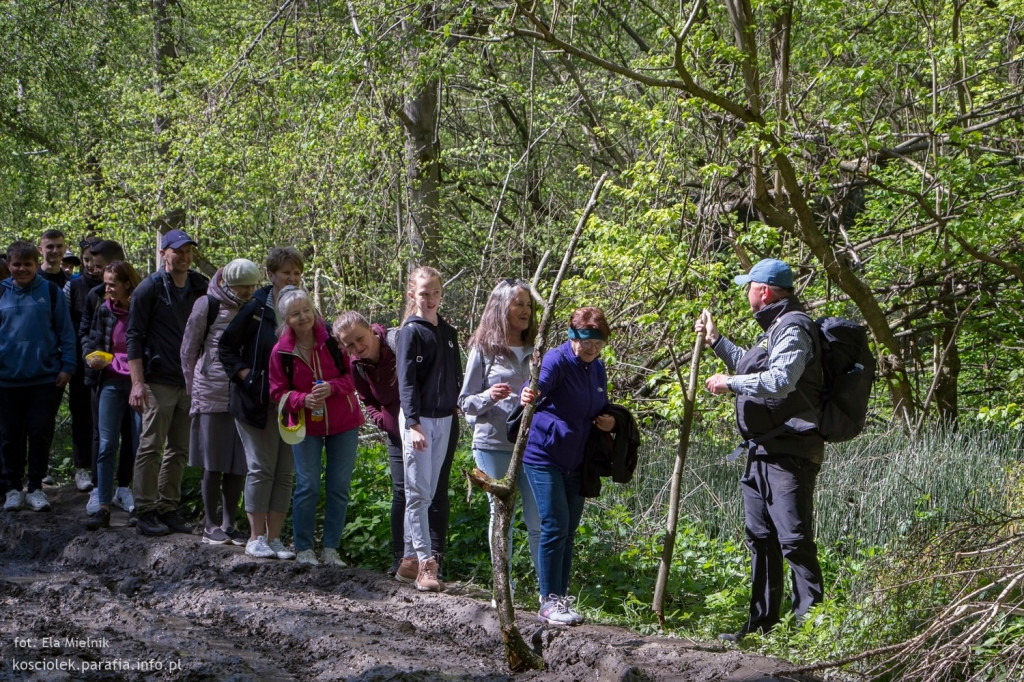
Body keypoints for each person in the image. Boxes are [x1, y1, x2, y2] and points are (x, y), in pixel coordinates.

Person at [695, 258, 825, 642]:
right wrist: (717, 341)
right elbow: (751, 367)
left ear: (764, 291)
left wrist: (729, 384)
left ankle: (809, 630)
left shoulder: (794, 327)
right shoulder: (772, 330)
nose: (746, 292)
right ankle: (760, 625)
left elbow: (782, 381)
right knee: (761, 538)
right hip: (761, 453)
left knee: (794, 540)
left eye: (748, 285)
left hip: (789, 451)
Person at [520, 306, 614, 626]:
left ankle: (560, 598)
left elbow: (599, 405)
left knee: (569, 531)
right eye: (586, 342)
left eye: (598, 344)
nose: (591, 349)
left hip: (578, 460)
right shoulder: (556, 360)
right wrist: (529, 393)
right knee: (555, 524)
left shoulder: (597, 368)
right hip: (544, 455)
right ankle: (548, 601)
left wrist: (610, 420)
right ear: (572, 336)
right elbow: (539, 385)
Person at [219, 247, 304, 560]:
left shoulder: (304, 308)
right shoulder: (256, 307)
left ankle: (275, 538)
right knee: (261, 468)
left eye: (297, 273)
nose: (292, 278)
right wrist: (247, 376)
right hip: (255, 401)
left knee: (284, 472)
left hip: (291, 404)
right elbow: (226, 347)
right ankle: (255, 537)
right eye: (286, 273)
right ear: (271, 275)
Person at [269, 286, 364, 566]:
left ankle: (331, 548)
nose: (303, 317)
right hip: (305, 426)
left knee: (339, 486)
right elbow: (277, 391)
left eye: (307, 310)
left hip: (344, 423)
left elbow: (353, 375)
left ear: (314, 310)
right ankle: (304, 548)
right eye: (295, 313)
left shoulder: (334, 341)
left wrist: (332, 388)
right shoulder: (281, 352)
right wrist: (302, 399)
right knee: (308, 485)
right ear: (285, 319)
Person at [458, 278, 541, 585]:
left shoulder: (537, 349)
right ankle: (502, 590)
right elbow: (465, 402)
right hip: (492, 444)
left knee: (537, 520)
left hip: (531, 445)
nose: (525, 311)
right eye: (518, 304)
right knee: (500, 518)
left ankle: (546, 593)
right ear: (501, 307)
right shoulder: (484, 349)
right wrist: (489, 396)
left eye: (529, 305)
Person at [127, 229, 209, 536]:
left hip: (189, 380)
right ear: (164, 253)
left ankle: (167, 507)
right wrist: (137, 383)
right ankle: (144, 509)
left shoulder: (200, 286)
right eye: (178, 251)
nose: (185, 257)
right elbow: (133, 337)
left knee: (179, 448)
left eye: (189, 251)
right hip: (157, 379)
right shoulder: (148, 289)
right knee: (151, 446)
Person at [181, 259, 260, 546]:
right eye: (243, 286)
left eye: (252, 285)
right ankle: (209, 524)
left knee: (238, 462)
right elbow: (188, 349)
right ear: (229, 283)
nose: (249, 291)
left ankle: (229, 523)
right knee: (212, 461)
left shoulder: (256, 308)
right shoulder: (207, 304)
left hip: (241, 392)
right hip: (210, 391)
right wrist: (193, 390)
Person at [394, 266, 462, 592]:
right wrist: (413, 423)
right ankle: (424, 564)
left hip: (444, 419)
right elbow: (406, 383)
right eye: (424, 293)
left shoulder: (449, 333)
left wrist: (457, 401)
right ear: (413, 296)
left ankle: (408, 560)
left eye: (435, 292)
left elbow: (454, 375)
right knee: (418, 493)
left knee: (430, 492)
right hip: (418, 420)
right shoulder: (410, 332)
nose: (431, 298)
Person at [0, 241, 76, 512]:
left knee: (40, 433)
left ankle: (35, 488)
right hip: (7, 380)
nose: (22, 269)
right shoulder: (1, 293)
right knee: (9, 436)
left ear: (36, 264)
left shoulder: (51, 292)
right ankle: (12, 488)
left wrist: (68, 366)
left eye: (27, 264)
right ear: (9, 265)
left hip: (45, 378)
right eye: (16, 264)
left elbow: (66, 332)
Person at [76, 240, 136, 516]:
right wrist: (92, 356)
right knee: (106, 440)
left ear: (126, 283)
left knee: (134, 439)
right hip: (108, 379)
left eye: (112, 283)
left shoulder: (140, 309)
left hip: (137, 381)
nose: (106, 288)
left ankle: (125, 488)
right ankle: (101, 495)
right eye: (105, 281)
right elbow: (89, 336)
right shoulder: (101, 307)